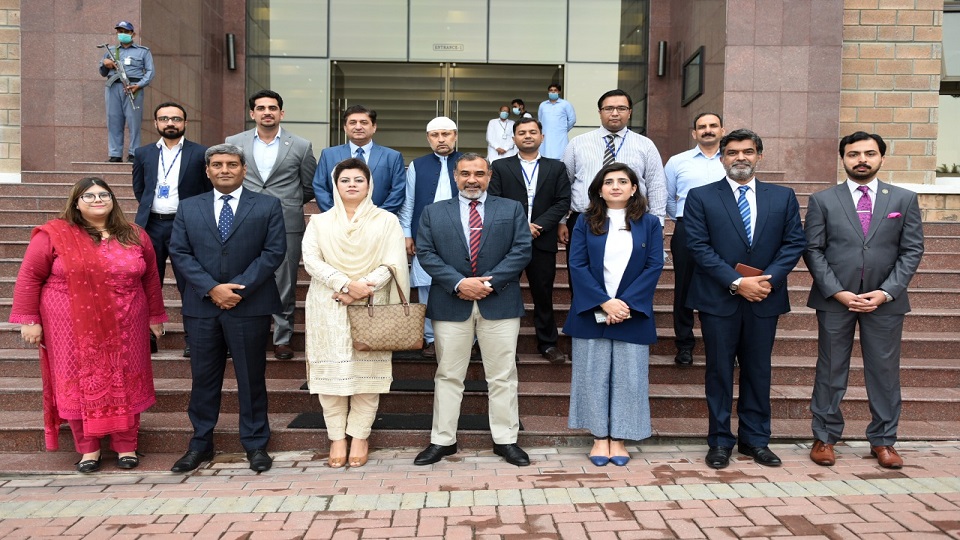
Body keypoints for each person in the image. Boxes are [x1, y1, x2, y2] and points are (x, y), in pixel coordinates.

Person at [10, 178, 166, 473]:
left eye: (103, 194)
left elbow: (151, 279)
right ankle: (88, 451)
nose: (97, 199)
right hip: (71, 325)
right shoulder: (54, 235)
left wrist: (155, 317)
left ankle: (126, 446)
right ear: (76, 202)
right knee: (80, 382)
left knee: (127, 378)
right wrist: (29, 320)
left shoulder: (134, 235)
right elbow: (30, 277)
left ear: (113, 200)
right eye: (89, 195)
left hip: (127, 322)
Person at [683, 129, 805, 469]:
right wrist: (737, 282)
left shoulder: (782, 197)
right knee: (719, 373)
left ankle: (754, 441)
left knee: (757, 371)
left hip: (765, 298)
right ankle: (720, 442)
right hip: (718, 299)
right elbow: (697, 246)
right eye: (733, 152)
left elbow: (794, 243)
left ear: (759, 156)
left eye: (747, 152)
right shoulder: (701, 197)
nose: (740, 157)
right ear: (722, 157)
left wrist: (765, 281)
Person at [804, 132, 924, 469]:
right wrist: (837, 291)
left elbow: (912, 250)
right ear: (842, 158)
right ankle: (825, 437)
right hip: (835, 300)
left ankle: (884, 441)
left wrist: (887, 292)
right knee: (830, 369)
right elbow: (813, 249)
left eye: (869, 153)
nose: (861, 159)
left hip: (885, 301)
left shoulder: (904, 199)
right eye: (853, 153)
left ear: (881, 158)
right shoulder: (823, 200)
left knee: (884, 372)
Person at [168, 143, 286, 473]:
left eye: (231, 164)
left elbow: (273, 252)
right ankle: (201, 444)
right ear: (207, 171)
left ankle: (256, 444)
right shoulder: (188, 207)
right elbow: (180, 252)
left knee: (252, 378)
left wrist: (238, 290)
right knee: (203, 379)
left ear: (243, 169)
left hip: (250, 306)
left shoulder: (267, 205)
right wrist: (212, 289)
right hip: (203, 306)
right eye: (217, 164)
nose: (224, 170)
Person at [413, 153, 533, 467]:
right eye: (465, 173)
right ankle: (443, 441)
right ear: (455, 176)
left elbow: (521, 249)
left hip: (500, 301)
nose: (472, 180)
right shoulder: (433, 212)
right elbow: (426, 253)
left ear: (489, 176)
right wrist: (459, 283)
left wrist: (487, 284)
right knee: (448, 375)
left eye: (479, 173)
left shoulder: (512, 209)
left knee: (503, 376)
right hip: (451, 302)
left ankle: (506, 441)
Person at [302, 157, 410, 469]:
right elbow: (311, 259)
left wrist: (364, 287)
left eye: (358, 180)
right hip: (329, 304)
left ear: (369, 185)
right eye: (345, 180)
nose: (352, 185)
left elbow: (392, 261)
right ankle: (336, 437)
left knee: (368, 375)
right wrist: (345, 284)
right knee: (331, 376)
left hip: (372, 305)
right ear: (335, 186)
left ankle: (360, 436)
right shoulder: (320, 222)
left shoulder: (386, 220)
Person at [562, 163, 663, 467]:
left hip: (633, 311)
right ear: (599, 189)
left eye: (623, 181)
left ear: (634, 188)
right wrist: (605, 303)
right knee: (592, 375)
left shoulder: (650, 223)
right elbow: (576, 265)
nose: (615, 186)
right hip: (591, 310)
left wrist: (624, 304)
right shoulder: (584, 221)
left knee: (629, 378)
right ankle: (599, 438)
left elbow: (654, 265)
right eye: (609, 182)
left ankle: (619, 438)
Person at [226, 90, 317, 360]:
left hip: (285, 220)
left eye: (273, 108)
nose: (267, 112)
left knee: (284, 280)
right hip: (242, 218)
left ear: (281, 113)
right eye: (261, 108)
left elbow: (308, 186)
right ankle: (240, 333)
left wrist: (285, 204)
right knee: (240, 275)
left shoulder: (300, 145)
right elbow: (228, 176)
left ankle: (282, 337)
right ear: (252, 113)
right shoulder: (234, 141)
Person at [560, 90, 668, 289]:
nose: (615, 113)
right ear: (600, 112)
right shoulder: (577, 143)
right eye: (609, 108)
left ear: (630, 112)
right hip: (585, 219)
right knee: (582, 280)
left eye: (621, 108)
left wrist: (659, 223)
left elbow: (657, 184)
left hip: (633, 218)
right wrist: (562, 221)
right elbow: (564, 184)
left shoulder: (645, 145)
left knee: (631, 278)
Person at [132, 102, 212, 357]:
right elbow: (140, 189)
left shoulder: (200, 153)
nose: (170, 123)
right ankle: (146, 337)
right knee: (146, 282)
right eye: (164, 118)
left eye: (176, 119)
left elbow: (206, 190)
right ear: (156, 123)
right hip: (151, 225)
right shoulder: (143, 153)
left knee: (189, 284)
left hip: (185, 226)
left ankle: (194, 338)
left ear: (185, 123)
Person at [489, 117, 571, 364]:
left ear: (542, 137)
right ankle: (504, 348)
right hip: (508, 242)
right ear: (513, 139)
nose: (527, 136)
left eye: (532, 132)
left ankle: (547, 344)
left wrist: (540, 225)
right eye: (522, 132)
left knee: (543, 294)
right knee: (503, 294)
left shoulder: (556, 167)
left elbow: (562, 201)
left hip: (542, 239)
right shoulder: (500, 166)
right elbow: (494, 199)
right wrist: (521, 225)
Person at [398, 117, 463, 359]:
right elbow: (409, 203)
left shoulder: (467, 162)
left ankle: (470, 339)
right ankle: (431, 338)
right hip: (426, 235)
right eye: (435, 135)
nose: (441, 139)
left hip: (463, 236)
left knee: (463, 284)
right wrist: (407, 234)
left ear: (455, 136)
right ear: (428, 139)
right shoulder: (417, 165)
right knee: (426, 287)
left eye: (446, 134)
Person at [663, 112, 725, 366]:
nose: (707, 130)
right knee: (684, 289)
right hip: (688, 229)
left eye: (713, 126)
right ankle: (685, 345)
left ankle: (722, 346)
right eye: (702, 127)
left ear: (722, 130)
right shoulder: (678, 161)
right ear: (694, 133)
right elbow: (667, 198)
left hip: (727, 231)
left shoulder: (733, 159)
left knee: (725, 286)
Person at [314, 105, 406, 213]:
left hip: (378, 223)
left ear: (374, 127)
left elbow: (398, 191)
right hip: (338, 222)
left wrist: (376, 217)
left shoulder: (392, 157)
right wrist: (339, 215)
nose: (358, 127)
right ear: (345, 128)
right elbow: (320, 188)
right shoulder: (328, 155)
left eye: (364, 122)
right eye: (353, 122)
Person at [99, 21, 154, 162]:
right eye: (119, 31)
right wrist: (106, 64)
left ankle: (133, 153)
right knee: (113, 120)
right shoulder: (110, 51)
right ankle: (115, 154)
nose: (122, 34)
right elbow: (103, 72)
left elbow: (150, 72)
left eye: (125, 31)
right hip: (113, 87)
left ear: (132, 34)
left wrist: (139, 85)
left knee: (134, 121)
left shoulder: (143, 51)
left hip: (133, 87)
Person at [537, 83, 576, 159]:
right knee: (545, 157)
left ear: (559, 92)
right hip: (546, 136)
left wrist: (563, 129)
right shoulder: (543, 105)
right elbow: (540, 120)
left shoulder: (565, 104)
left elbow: (572, 119)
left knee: (561, 157)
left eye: (555, 90)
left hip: (560, 136)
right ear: (548, 92)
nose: (553, 92)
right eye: (551, 90)